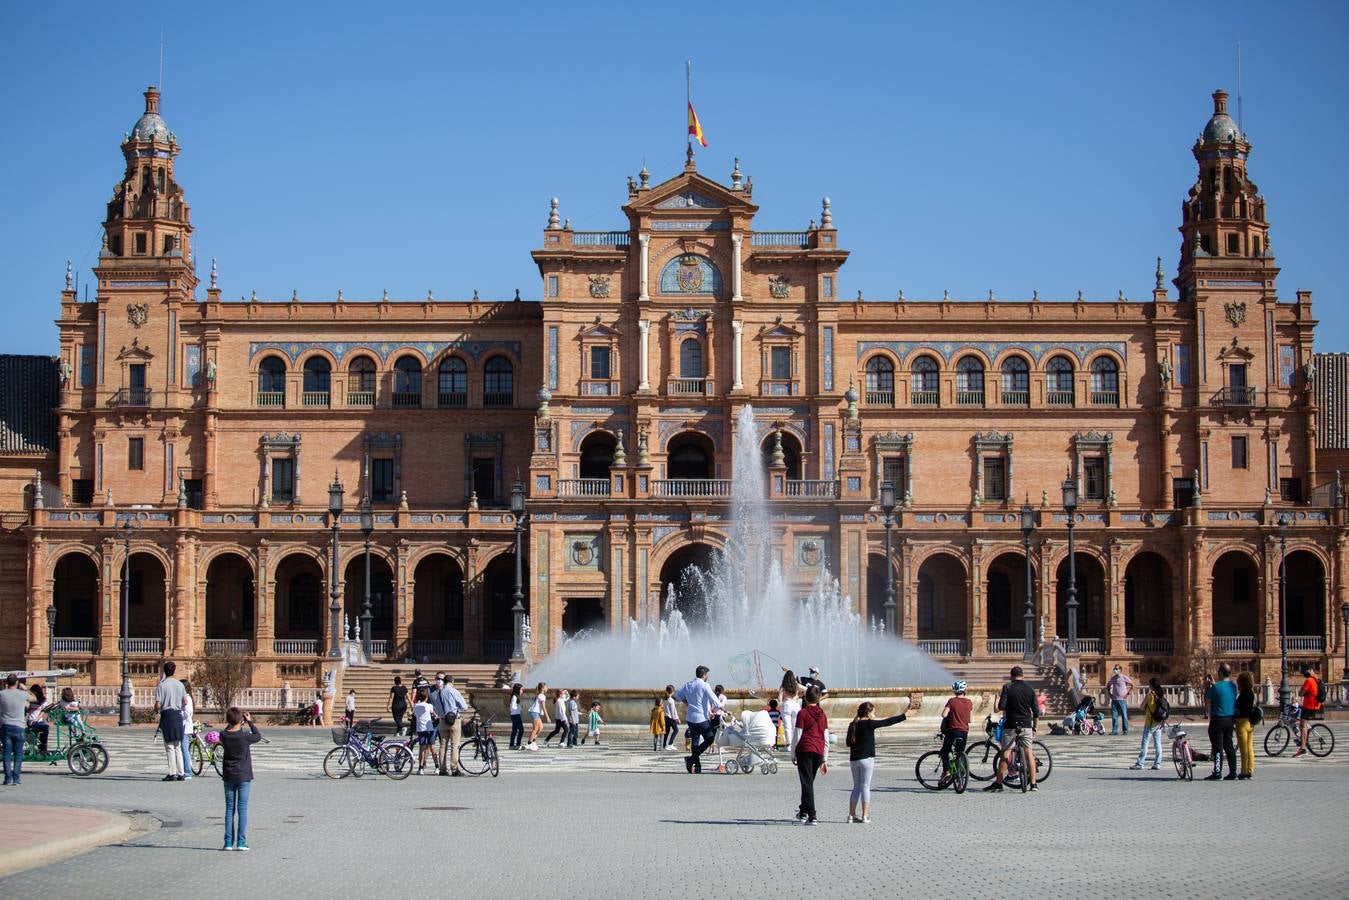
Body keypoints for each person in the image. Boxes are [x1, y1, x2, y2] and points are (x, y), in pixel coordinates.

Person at [846, 701, 906, 823]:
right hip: (867, 759)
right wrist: (904, 716)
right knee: (865, 787)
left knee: (856, 787)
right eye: (874, 712)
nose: (875, 714)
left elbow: (848, 743)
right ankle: (865, 815)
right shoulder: (869, 723)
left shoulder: (853, 724)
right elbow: (887, 722)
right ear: (868, 713)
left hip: (854, 760)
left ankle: (851, 816)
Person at [984, 666, 1040, 792]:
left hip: (1011, 725)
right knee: (1029, 753)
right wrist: (1035, 727)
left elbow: (1001, 706)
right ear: (1023, 676)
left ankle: (998, 783)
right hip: (1026, 724)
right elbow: (1036, 711)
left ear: (1011, 676)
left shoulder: (1007, 687)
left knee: (1006, 753)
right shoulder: (1030, 689)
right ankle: (1034, 784)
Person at [219, 707, 262, 851]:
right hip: (243, 775)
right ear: (241, 720)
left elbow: (225, 731)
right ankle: (241, 842)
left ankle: (228, 842)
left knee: (229, 809)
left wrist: (233, 722)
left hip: (229, 775)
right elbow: (257, 735)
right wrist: (249, 722)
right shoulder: (244, 737)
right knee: (242, 809)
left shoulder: (224, 735)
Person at [673, 665, 722, 774]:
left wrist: (688, 703)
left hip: (690, 718)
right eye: (707, 674)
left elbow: (676, 696)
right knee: (709, 739)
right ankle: (691, 759)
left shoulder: (688, 685)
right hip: (701, 718)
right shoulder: (705, 685)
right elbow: (716, 701)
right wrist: (724, 710)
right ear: (704, 675)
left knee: (695, 742)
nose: (708, 676)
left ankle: (696, 765)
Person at [794, 685, 828, 824]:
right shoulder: (822, 714)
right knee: (808, 782)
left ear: (805, 698)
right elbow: (825, 736)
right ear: (819, 698)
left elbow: (797, 735)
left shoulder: (802, 713)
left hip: (805, 750)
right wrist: (824, 758)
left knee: (807, 783)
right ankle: (803, 812)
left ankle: (812, 815)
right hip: (818, 750)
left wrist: (792, 754)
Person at [153, 661, 188, 782]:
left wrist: (156, 710)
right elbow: (185, 702)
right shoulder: (180, 685)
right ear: (174, 671)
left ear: (164, 671)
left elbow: (158, 704)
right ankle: (181, 773)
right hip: (177, 715)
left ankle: (172, 773)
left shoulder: (162, 685)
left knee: (169, 746)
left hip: (167, 715)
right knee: (177, 745)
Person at [1203, 662, 1238, 780]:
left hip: (1218, 719)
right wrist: (1214, 685)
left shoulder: (1216, 687)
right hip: (1230, 718)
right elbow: (1222, 694)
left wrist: (1208, 687)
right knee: (1229, 745)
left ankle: (1217, 772)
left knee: (1217, 746)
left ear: (1221, 673)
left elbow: (1207, 701)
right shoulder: (1233, 686)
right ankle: (1233, 772)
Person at [430, 674, 469, 775]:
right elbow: (464, 707)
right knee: (454, 745)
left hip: (442, 720)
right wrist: (456, 708)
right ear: (452, 681)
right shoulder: (453, 691)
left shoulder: (439, 692)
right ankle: (454, 769)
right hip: (454, 720)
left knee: (443, 745)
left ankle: (442, 768)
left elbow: (437, 707)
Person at [1130, 678, 1168, 771]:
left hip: (1150, 722)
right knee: (1158, 744)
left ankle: (1140, 763)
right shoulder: (1161, 695)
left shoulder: (1149, 695)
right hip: (1158, 722)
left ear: (1151, 686)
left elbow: (1141, 707)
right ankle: (1157, 764)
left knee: (1145, 743)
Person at [939, 681, 973, 777]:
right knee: (960, 752)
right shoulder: (969, 702)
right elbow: (970, 720)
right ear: (964, 690)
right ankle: (960, 772)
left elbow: (944, 714)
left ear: (954, 691)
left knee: (945, 751)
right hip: (964, 731)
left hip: (952, 731)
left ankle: (947, 771)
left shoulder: (952, 701)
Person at [1, 674, 28, 785]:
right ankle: (16, 779)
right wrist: (25, 688)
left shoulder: (1, 694)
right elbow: (36, 698)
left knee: (6, 754)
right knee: (18, 754)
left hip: (5, 726)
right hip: (19, 726)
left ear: (7, 683)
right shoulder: (23, 694)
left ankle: (8, 779)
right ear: (17, 683)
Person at [1293, 664, 1324, 758]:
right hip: (1316, 705)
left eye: (1306, 672)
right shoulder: (1317, 679)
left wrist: (1302, 693)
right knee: (1304, 724)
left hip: (1309, 705)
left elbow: (1301, 693)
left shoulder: (1309, 680)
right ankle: (1303, 742)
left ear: (1311, 670)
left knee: (1302, 726)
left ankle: (1302, 748)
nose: (1305, 674)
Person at [1234, 671, 1258, 778]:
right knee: (1250, 747)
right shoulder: (1251, 693)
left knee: (1243, 748)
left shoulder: (1243, 695)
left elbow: (1240, 709)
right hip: (1250, 723)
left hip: (1242, 722)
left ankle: (1244, 771)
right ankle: (1250, 769)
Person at [411, 687, 439, 773]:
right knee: (432, 747)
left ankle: (421, 768)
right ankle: (437, 767)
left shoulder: (416, 706)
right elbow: (434, 715)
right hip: (429, 728)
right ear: (427, 697)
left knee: (422, 748)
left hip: (420, 729)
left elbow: (413, 714)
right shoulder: (429, 706)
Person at [778, 670, 804, 755]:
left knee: (787, 727)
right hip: (796, 706)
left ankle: (789, 745)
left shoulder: (783, 686)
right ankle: (796, 744)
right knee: (795, 726)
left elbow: (779, 699)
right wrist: (798, 696)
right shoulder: (796, 686)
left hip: (787, 705)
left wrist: (781, 706)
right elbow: (807, 689)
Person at [1107, 665, 1134, 735]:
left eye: (1116, 669)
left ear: (1120, 670)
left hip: (1122, 700)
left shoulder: (1124, 677)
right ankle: (1114, 731)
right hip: (1114, 699)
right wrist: (1110, 693)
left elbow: (1132, 685)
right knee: (1114, 716)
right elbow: (1108, 685)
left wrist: (1128, 693)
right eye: (1114, 668)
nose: (1115, 670)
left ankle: (1125, 730)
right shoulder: (1113, 678)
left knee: (1124, 715)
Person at [26, 682, 49, 756]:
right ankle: (33, 745)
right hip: (30, 720)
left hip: (38, 720)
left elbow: (42, 712)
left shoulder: (43, 700)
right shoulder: (30, 700)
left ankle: (43, 747)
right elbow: (27, 709)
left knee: (45, 727)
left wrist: (36, 719)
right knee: (35, 727)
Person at [180, 679, 195, 780]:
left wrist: (178, 713)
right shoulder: (184, 698)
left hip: (185, 727)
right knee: (182, 749)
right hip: (182, 726)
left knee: (184, 749)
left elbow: (188, 713)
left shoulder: (187, 699)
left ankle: (188, 771)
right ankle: (184, 770)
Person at [526, 682, 548, 751]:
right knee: (535, 728)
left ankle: (533, 741)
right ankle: (529, 744)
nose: (547, 688)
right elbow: (543, 707)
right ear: (542, 688)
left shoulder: (540, 695)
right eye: (546, 687)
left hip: (535, 712)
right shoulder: (542, 696)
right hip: (534, 712)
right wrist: (547, 717)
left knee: (540, 727)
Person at [661, 684, 680, 750]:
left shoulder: (664, 699)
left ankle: (664, 745)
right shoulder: (671, 700)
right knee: (676, 730)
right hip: (670, 718)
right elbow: (673, 711)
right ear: (672, 692)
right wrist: (676, 719)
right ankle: (670, 744)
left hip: (665, 717)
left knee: (667, 732)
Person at [507, 683, 525, 750]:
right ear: (518, 689)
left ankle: (511, 745)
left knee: (514, 730)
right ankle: (518, 744)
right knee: (521, 730)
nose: (522, 691)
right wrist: (520, 707)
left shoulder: (514, 696)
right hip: (515, 715)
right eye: (521, 689)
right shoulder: (514, 697)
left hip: (514, 715)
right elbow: (512, 707)